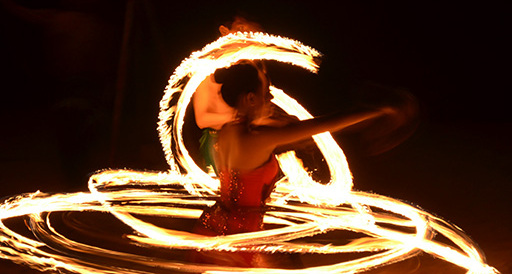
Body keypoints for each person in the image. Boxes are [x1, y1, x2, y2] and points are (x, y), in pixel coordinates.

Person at [192, 61, 400, 267]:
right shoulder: (259, 139)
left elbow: (279, 132)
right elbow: (321, 125)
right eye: (266, 92)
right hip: (237, 242)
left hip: (216, 226)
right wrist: (376, 111)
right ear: (250, 98)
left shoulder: (227, 131)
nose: (271, 98)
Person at [192, 17, 267, 175]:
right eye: (241, 27)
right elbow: (202, 118)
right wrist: (243, 115)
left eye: (253, 28)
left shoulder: (256, 66)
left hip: (253, 141)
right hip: (220, 144)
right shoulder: (208, 67)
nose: (247, 33)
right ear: (224, 31)